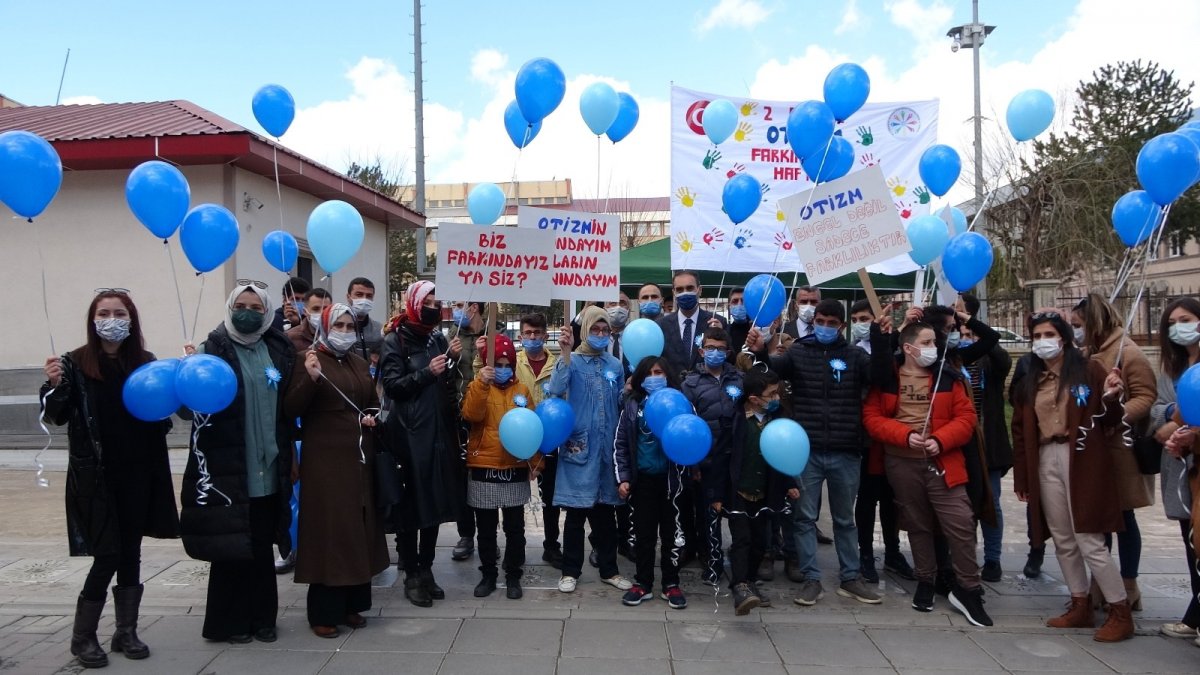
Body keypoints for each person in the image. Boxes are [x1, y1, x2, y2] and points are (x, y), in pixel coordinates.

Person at [40, 290, 179, 668]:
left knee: (131, 552)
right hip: (96, 476)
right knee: (107, 554)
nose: (111, 318)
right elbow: (57, 416)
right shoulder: (74, 363)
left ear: (131, 319)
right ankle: (82, 637)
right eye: (104, 313)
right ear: (92, 319)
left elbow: (168, 412)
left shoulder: (144, 363)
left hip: (140, 471)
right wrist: (53, 386)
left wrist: (183, 375)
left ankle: (125, 631)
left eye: (119, 312)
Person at [180, 281, 296, 643]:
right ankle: (227, 623)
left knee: (261, 545)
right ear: (230, 308)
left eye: (256, 307)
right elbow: (187, 410)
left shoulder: (277, 349)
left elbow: (286, 406)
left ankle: (263, 620)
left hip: (269, 467)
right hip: (228, 466)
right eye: (241, 305)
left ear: (267, 312)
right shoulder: (210, 349)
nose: (248, 312)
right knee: (230, 548)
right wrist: (186, 373)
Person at [749, 299, 882, 605]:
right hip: (805, 450)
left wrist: (881, 337)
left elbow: (880, 377)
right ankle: (811, 578)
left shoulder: (856, 355)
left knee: (845, 519)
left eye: (831, 323)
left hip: (846, 449)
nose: (824, 327)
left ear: (842, 327)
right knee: (804, 518)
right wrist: (759, 350)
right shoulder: (799, 352)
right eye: (820, 321)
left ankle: (851, 577)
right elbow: (772, 370)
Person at [1011, 310, 1132, 641]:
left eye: (1048, 335)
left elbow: (1110, 419)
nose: (1042, 342)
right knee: (1062, 537)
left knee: (1089, 536)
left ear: (1063, 337)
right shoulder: (1030, 381)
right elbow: (1021, 432)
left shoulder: (1089, 369)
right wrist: (1022, 477)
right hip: (1045, 458)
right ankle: (1080, 604)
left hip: (1082, 457)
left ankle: (1119, 609)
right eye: (1036, 336)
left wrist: (1112, 397)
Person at [862, 322, 991, 627]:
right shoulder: (888, 378)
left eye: (935, 341)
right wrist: (903, 435)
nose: (935, 346)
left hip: (943, 461)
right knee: (917, 523)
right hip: (901, 462)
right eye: (928, 341)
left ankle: (969, 587)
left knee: (960, 522)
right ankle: (926, 580)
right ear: (908, 348)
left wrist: (941, 439)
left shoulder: (948, 377)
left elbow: (967, 416)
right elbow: (872, 417)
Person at [283, 304, 388, 638]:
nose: (343, 331)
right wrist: (311, 379)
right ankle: (324, 611)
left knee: (358, 529)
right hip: (326, 465)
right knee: (330, 533)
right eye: (337, 325)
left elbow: (371, 400)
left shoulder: (358, 363)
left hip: (359, 462)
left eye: (348, 325)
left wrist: (373, 417)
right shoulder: (310, 361)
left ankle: (352, 605)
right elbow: (291, 408)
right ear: (326, 327)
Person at [379, 281, 463, 607]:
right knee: (412, 507)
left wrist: (451, 360)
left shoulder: (436, 338)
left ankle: (427, 568)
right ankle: (411, 573)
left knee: (435, 504)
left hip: (439, 433)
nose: (433, 305)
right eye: (427, 300)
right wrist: (427, 372)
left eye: (436, 300)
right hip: (409, 436)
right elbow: (392, 386)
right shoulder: (394, 341)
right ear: (414, 303)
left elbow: (445, 382)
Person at [1072, 293, 1157, 610]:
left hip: (1119, 449)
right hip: (1093, 446)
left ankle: (1129, 584)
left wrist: (1116, 415)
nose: (1075, 331)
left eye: (1079, 325)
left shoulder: (1128, 353)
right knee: (1098, 516)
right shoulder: (1087, 354)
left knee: (1123, 516)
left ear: (1094, 323)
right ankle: (1100, 580)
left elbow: (1146, 395)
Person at [548, 306, 632, 593]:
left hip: (607, 449)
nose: (600, 334)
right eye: (595, 329)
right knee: (575, 515)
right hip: (578, 447)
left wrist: (629, 391)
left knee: (606, 515)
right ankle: (570, 571)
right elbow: (555, 390)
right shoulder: (574, 360)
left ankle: (609, 570)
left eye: (604, 330)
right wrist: (565, 354)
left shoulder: (614, 364)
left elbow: (620, 402)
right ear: (585, 331)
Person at [709, 368, 799, 615]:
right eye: (771, 394)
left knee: (761, 542)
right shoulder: (735, 420)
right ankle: (740, 587)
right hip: (739, 491)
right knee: (742, 539)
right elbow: (720, 458)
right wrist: (717, 495)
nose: (776, 398)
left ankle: (749, 580)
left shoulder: (779, 420)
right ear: (754, 398)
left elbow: (783, 456)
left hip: (766, 492)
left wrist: (790, 483)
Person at [462, 334, 540, 600]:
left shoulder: (522, 391)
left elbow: (533, 427)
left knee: (515, 528)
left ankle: (513, 575)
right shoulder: (478, 386)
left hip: (514, 466)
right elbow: (471, 415)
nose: (504, 369)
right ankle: (488, 574)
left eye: (508, 364)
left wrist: (535, 462)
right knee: (485, 528)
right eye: (499, 363)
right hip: (484, 464)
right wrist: (482, 384)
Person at [849, 300, 915, 584]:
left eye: (865, 317)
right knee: (866, 500)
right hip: (865, 441)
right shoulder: (850, 352)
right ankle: (865, 554)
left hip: (893, 440)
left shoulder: (892, 349)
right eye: (855, 318)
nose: (860, 323)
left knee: (891, 500)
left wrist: (887, 336)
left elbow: (884, 373)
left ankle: (892, 551)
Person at [615, 356, 688, 609]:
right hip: (642, 481)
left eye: (660, 372)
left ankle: (671, 584)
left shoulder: (680, 403)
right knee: (644, 536)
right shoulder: (632, 406)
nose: (655, 377)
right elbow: (621, 445)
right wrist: (623, 478)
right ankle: (642, 583)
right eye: (650, 373)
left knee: (672, 535)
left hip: (671, 482)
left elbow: (691, 434)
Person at [1148, 297, 1200, 645]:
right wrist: (1172, 417)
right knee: (1191, 542)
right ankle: (1195, 612)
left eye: (1186, 319)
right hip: (1181, 466)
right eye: (1171, 322)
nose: (1178, 326)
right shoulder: (1171, 367)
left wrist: (1182, 424)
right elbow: (1154, 411)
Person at [277, 286, 336, 575]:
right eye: (314, 309)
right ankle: (289, 549)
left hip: (328, 434)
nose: (320, 314)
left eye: (325, 309)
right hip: (298, 431)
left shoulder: (339, 340)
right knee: (294, 494)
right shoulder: (289, 341)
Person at [957, 293, 1013, 583]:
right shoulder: (955, 360)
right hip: (959, 444)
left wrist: (973, 325)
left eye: (970, 333)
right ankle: (966, 556)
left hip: (987, 444)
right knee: (961, 505)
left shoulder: (993, 360)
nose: (967, 338)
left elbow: (997, 350)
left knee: (991, 503)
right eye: (962, 334)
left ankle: (993, 559)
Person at [681, 327, 744, 584]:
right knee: (709, 514)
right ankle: (712, 560)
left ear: (728, 352)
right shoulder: (690, 383)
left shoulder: (739, 379)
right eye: (710, 348)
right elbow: (686, 424)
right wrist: (694, 463)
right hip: (707, 459)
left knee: (738, 513)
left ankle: (741, 563)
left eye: (719, 349)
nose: (714, 353)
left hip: (735, 457)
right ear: (701, 350)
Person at [450, 300, 486, 563]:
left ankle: (488, 535)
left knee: (486, 477)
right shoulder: (451, 337)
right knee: (462, 478)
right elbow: (444, 376)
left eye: (460, 304)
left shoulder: (494, 333)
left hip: (487, 416)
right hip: (459, 417)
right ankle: (466, 534)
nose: (456, 309)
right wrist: (450, 356)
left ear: (474, 307)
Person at [656, 270, 728, 379]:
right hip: (673, 390)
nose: (685, 293)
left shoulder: (718, 321)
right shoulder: (661, 325)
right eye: (680, 289)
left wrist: (720, 335)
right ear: (674, 292)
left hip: (706, 390)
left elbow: (730, 359)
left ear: (699, 290)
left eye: (690, 288)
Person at [346, 277, 384, 367]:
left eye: (369, 296)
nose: (364, 300)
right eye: (359, 295)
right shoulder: (339, 329)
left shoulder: (380, 330)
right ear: (348, 297)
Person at [285, 288, 333, 352]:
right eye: (316, 309)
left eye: (326, 308)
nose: (322, 313)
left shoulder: (339, 333)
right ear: (305, 311)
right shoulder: (290, 337)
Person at [727, 286, 750, 358]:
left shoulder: (759, 331)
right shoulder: (726, 331)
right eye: (735, 301)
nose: (739, 305)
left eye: (743, 301)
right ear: (729, 307)